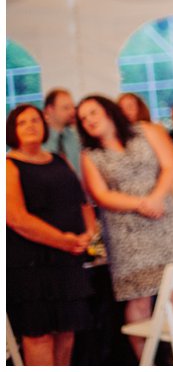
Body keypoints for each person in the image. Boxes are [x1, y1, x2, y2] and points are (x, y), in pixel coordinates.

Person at [76, 95, 173, 360]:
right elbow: (101, 195)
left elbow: (170, 165)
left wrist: (156, 197)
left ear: (108, 111)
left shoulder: (146, 131)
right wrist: (141, 203)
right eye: (83, 118)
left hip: (163, 223)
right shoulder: (90, 155)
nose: (89, 120)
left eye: (93, 112)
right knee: (139, 300)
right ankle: (146, 361)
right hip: (126, 235)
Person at [7, 104, 95, 366]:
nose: (31, 126)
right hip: (31, 265)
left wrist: (88, 233)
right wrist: (64, 240)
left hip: (67, 261)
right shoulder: (9, 165)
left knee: (66, 331)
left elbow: (83, 202)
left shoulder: (59, 159)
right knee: (39, 335)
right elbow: (16, 218)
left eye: (35, 120)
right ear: (13, 131)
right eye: (22, 122)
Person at [43, 88, 83, 179]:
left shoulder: (76, 136)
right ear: (50, 110)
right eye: (66, 108)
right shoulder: (40, 141)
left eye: (73, 107)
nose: (73, 112)